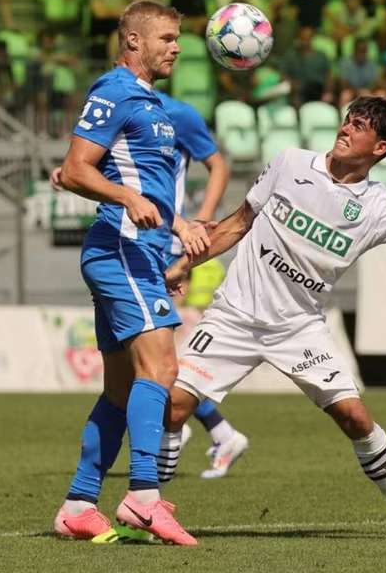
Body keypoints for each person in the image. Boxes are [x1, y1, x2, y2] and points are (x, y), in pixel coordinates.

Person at [161, 96, 386, 542]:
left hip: (299, 328)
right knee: (172, 409)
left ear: (379, 149)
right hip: (234, 316)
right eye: (348, 119)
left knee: (356, 420)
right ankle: (146, 510)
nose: (346, 128)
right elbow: (238, 223)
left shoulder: (376, 206)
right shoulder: (289, 163)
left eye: (360, 126)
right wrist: (188, 261)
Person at [49, 1, 208, 547]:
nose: (176, 46)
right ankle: (143, 498)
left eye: (177, 38)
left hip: (140, 252)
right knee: (161, 370)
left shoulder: (153, 104)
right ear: (133, 41)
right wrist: (123, 196)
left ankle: (77, 504)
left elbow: (137, 180)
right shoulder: (115, 91)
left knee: (120, 389)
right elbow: (75, 169)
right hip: (119, 250)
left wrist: (177, 227)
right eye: (166, 37)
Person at [155, 91, 249, 480]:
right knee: (140, 361)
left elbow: (217, 165)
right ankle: (218, 432)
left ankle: (185, 430)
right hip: (128, 243)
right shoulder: (116, 103)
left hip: (162, 246)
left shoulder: (175, 113)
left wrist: (202, 221)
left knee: (151, 359)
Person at [279, 26, 334, 105]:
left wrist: (328, 91)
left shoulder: (321, 56)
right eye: (303, 38)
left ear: (312, 38)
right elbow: (283, 75)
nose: (305, 41)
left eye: (307, 38)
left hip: (318, 91)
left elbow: (329, 75)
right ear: (298, 39)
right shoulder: (290, 56)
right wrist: (293, 85)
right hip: (298, 92)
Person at [338, 37, 378, 108]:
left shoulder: (372, 64)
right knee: (345, 95)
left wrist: (366, 90)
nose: (362, 53)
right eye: (360, 50)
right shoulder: (345, 62)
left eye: (364, 50)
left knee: (381, 94)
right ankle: (344, 117)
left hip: (367, 92)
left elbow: (374, 82)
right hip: (351, 91)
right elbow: (343, 82)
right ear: (354, 50)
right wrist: (357, 92)